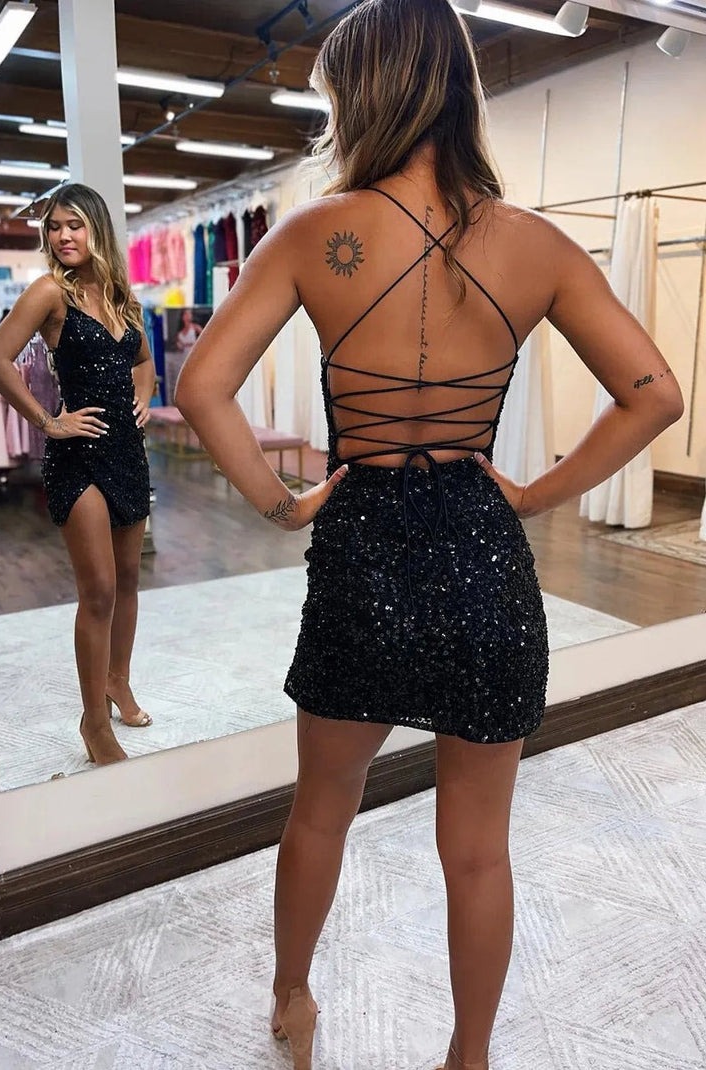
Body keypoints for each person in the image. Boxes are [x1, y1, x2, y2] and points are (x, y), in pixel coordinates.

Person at [175, 1, 684, 1066]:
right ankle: (468, 1055)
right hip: (481, 556)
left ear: (365, 93)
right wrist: (534, 495)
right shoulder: (534, 243)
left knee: (320, 811)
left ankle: (292, 999)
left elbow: (202, 386)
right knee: (478, 851)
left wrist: (283, 504)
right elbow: (652, 394)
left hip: (359, 552)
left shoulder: (314, 234)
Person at [0, 183, 156, 767]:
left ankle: (118, 681)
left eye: (75, 225)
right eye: (55, 227)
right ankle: (93, 724)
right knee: (100, 590)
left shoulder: (121, 296)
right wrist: (47, 422)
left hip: (127, 453)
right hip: (78, 456)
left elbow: (143, 361)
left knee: (130, 580)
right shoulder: (49, 292)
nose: (63, 236)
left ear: (97, 230)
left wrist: (143, 396)